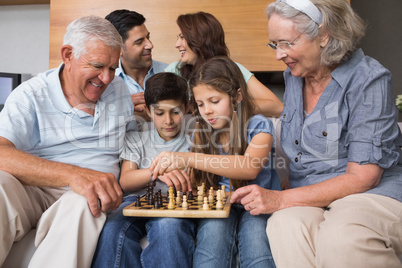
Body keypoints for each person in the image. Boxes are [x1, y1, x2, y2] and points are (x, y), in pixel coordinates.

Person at [230, 0, 402, 267]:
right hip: (312, 196)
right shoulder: (294, 75)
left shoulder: (368, 79)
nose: (279, 54)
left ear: (324, 36)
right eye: (275, 44)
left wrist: (280, 198)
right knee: (284, 225)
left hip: (370, 195)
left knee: (343, 236)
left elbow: (364, 177)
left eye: (287, 43)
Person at [0, 15, 135, 267]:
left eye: (112, 68)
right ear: (68, 55)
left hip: (82, 199)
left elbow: (134, 142)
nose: (106, 78)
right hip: (34, 191)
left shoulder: (119, 90)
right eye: (97, 65)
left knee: (87, 199)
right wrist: (74, 175)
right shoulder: (31, 95)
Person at [151, 56, 281, 267]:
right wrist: (180, 181)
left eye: (214, 101)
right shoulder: (201, 131)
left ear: (237, 96)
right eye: (201, 104)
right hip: (218, 204)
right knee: (211, 248)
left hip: (256, 204)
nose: (207, 111)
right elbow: (194, 183)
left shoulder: (258, 125)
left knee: (256, 245)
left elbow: (249, 168)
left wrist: (188, 158)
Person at [92, 72, 196, 267]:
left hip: (174, 205)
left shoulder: (194, 144)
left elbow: (196, 180)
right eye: (160, 113)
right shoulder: (136, 138)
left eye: (175, 111)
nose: (168, 121)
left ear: (187, 108)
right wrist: (160, 171)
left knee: (169, 227)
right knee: (112, 229)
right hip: (134, 201)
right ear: (148, 111)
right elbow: (126, 181)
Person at [164, 11, 284, 118]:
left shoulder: (231, 69)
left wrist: (229, 106)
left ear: (199, 39)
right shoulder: (174, 70)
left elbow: (277, 107)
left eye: (182, 37)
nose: (177, 44)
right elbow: (156, 103)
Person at [105, 9, 168, 122]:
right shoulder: (105, 83)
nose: (150, 45)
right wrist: (123, 105)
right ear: (118, 48)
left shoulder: (169, 72)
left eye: (148, 38)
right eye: (139, 42)